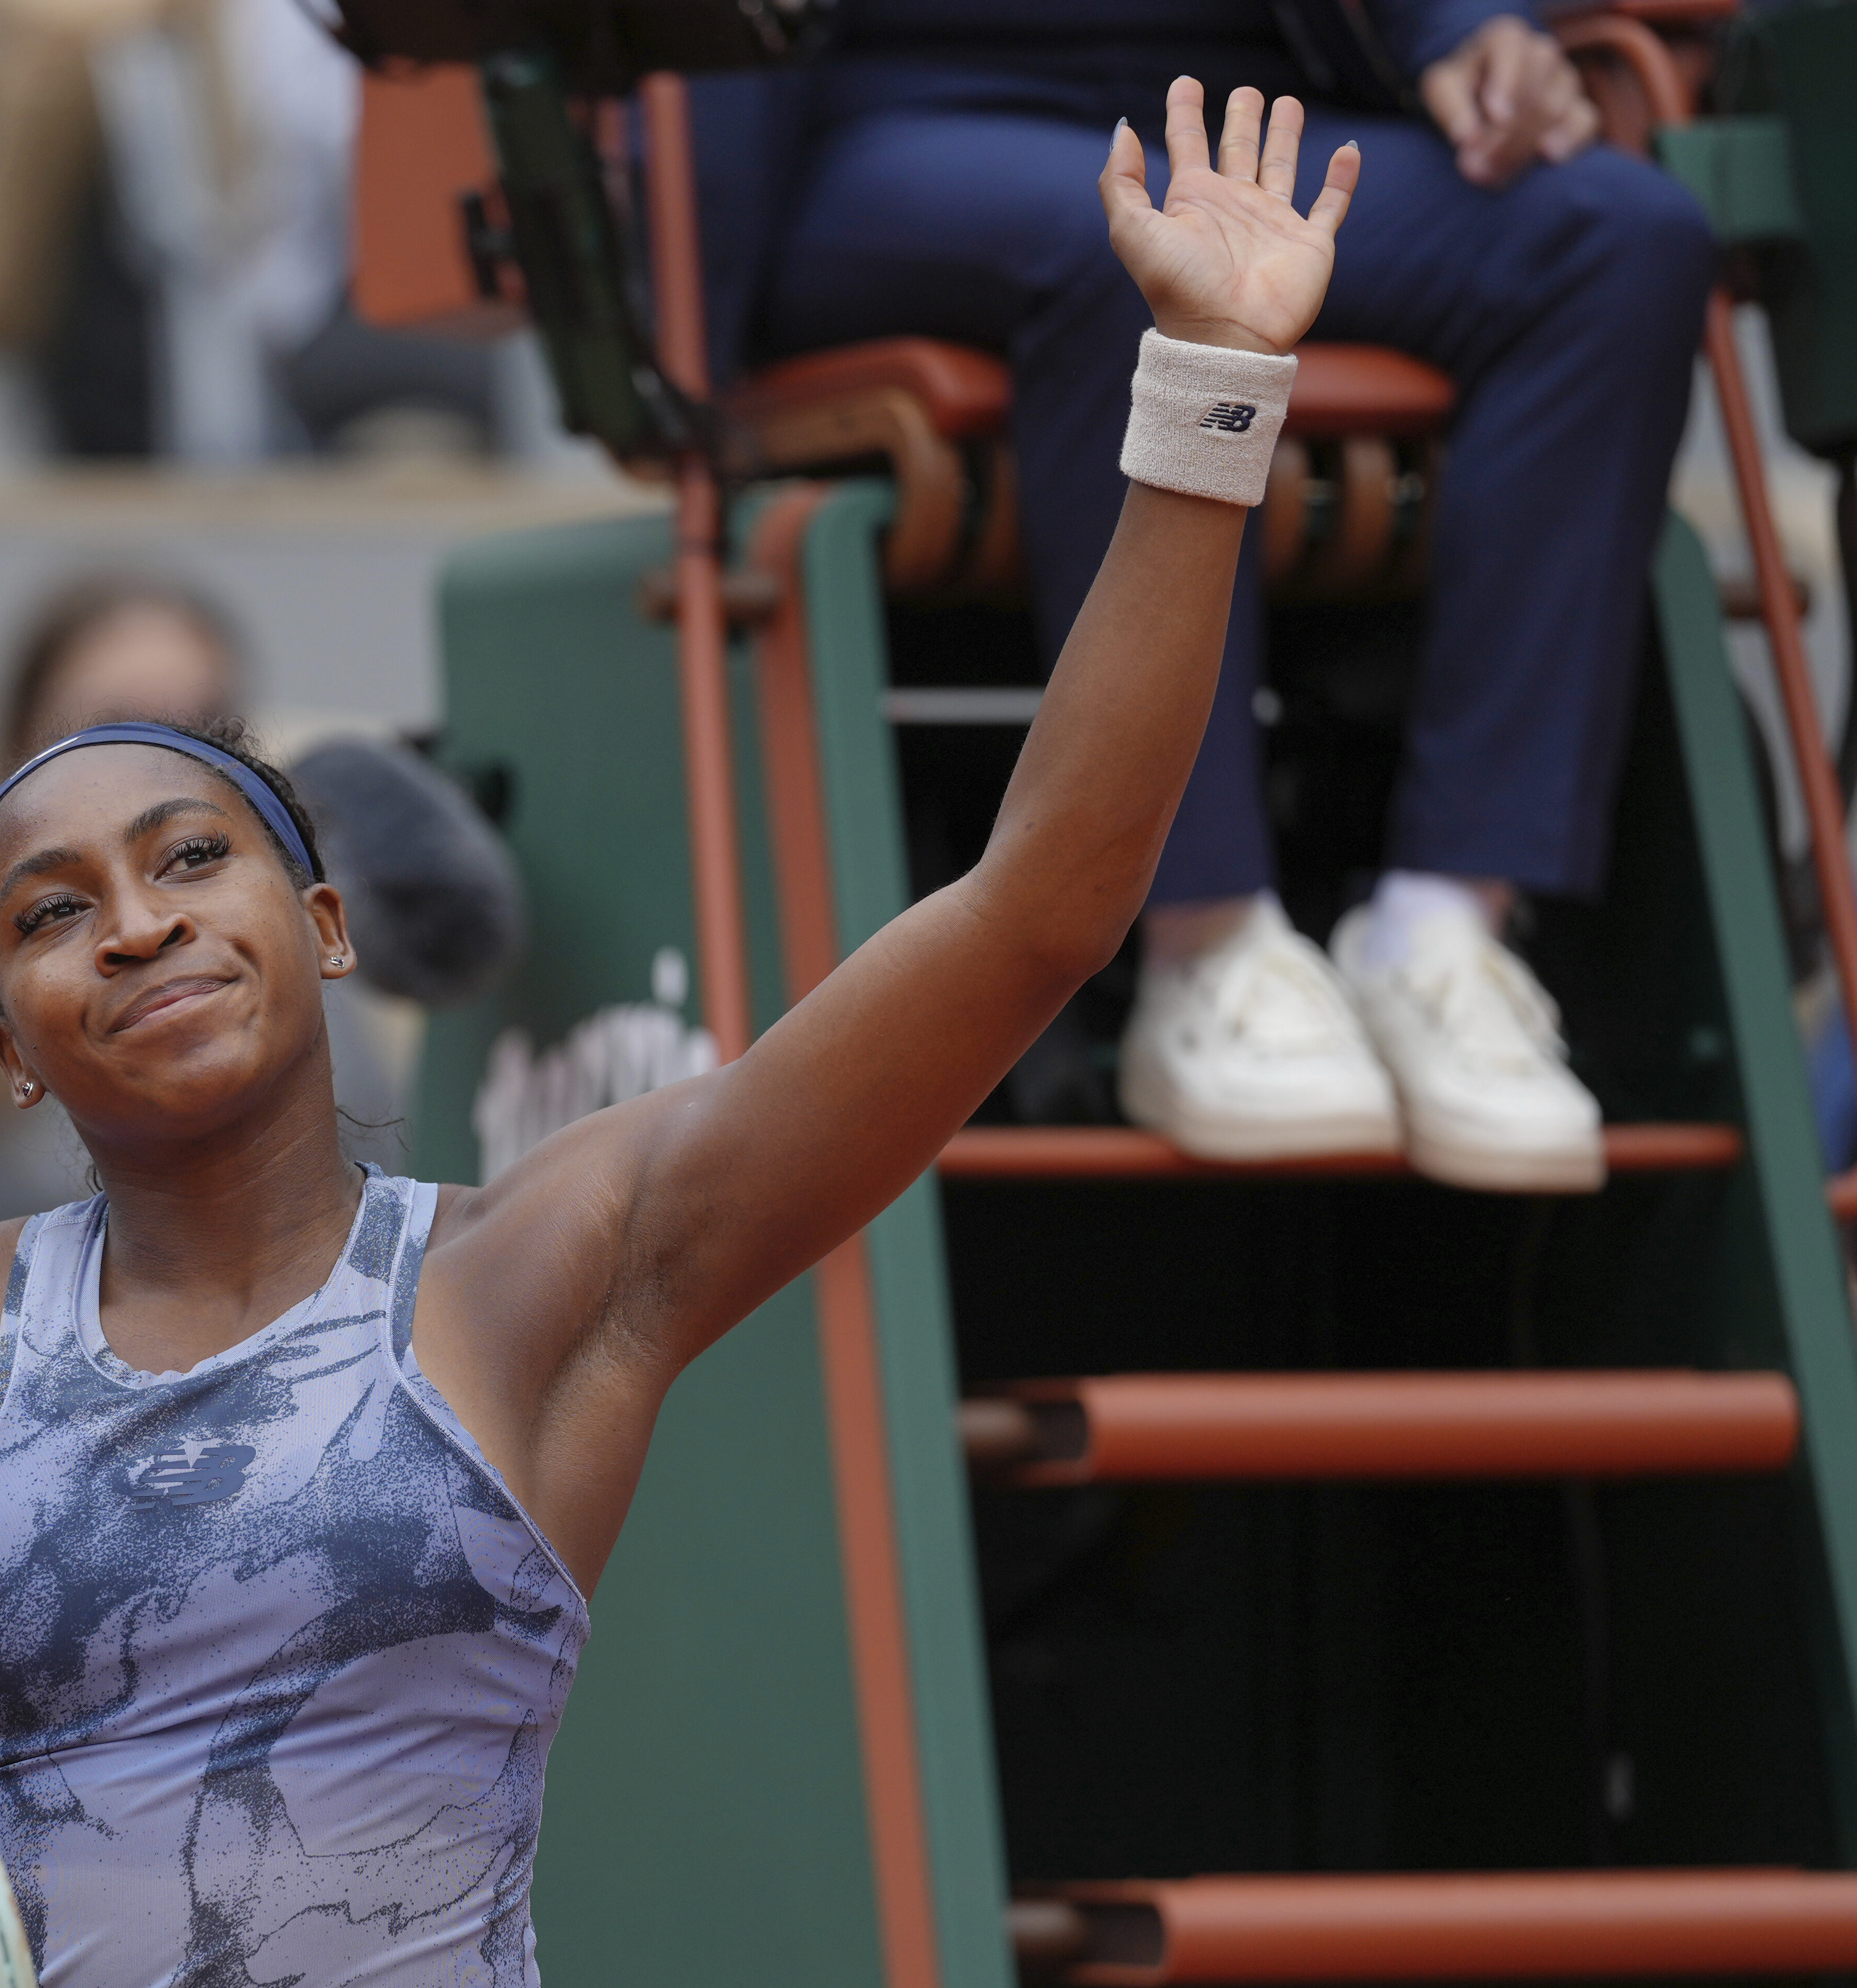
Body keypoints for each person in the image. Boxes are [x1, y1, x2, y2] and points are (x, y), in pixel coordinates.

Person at [0, 79, 1350, 1988]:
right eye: (50, 908)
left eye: (193, 852)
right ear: (3, 1039)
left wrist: (1196, 399)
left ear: (320, 918)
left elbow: (1035, 908)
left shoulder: (547, 1270)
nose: (133, 918)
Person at [730, 3, 1715, 1193]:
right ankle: (1204, 940)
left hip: (1267, 119)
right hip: (909, 125)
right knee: (1139, 251)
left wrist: (1467, 31)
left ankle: (1446, 925)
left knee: (1623, 234)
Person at [0, 569, 458, 1328]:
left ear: (326, 932)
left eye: (204, 726)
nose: (144, 927)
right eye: (111, 723)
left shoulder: (270, 957)